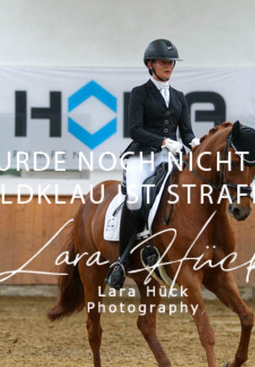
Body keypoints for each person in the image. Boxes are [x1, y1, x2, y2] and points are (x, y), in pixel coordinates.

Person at [104, 39, 200, 289]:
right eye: (164, 62)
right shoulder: (140, 93)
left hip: (170, 158)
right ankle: (121, 262)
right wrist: (164, 141)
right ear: (150, 65)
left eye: (171, 63)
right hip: (142, 157)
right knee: (135, 198)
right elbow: (135, 130)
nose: (169, 67)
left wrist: (196, 143)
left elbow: (186, 132)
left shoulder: (179, 97)